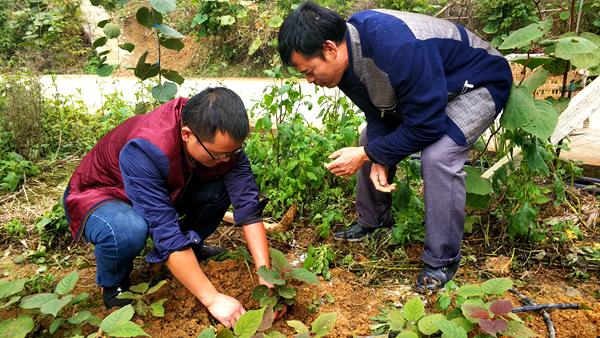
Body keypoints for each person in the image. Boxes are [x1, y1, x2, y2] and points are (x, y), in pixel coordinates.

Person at [278, 1, 512, 292]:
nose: (311, 81)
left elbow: (427, 124)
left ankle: (442, 259)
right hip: (433, 89)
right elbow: (377, 113)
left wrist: (371, 155)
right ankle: (374, 220)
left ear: (329, 49)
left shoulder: (396, 47)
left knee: (438, 156)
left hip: (477, 83)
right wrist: (377, 153)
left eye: (309, 71)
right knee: (369, 139)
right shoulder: (346, 59)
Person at [64, 87, 272, 327]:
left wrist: (264, 274)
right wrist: (213, 299)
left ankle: (191, 248)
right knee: (128, 229)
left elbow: (248, 208)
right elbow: (164, 231)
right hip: (103, 194)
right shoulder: (146, 147)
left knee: (221, 188)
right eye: (217, 155)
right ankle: (113, 283)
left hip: (164, 188)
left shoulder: (219, 142)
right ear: (186, 134)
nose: (227, 160)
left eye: (232, 152)